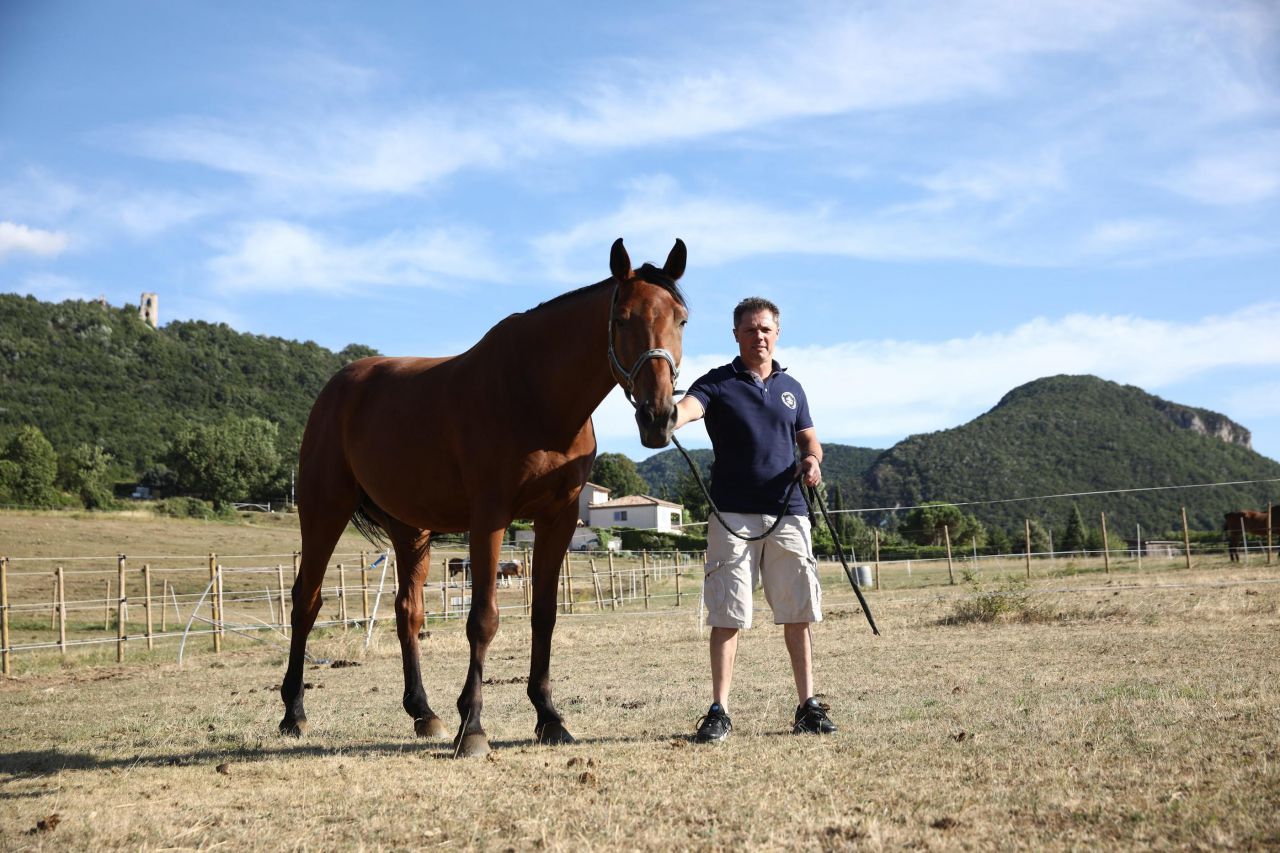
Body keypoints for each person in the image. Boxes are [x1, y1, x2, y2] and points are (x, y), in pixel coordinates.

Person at [673, 296, 836, 742]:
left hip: (789, 513)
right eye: (749, 329)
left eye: (765, 328)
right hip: (731, 518)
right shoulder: (718, 383)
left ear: (776, 333)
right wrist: (669, 416)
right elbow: (690, 406)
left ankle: (808, 706)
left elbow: (810, 440)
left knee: (797, 611)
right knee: (726, 613)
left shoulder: (793, 388)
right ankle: (719, 711)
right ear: (736, 335)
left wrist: (814, 462)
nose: (758, 336)